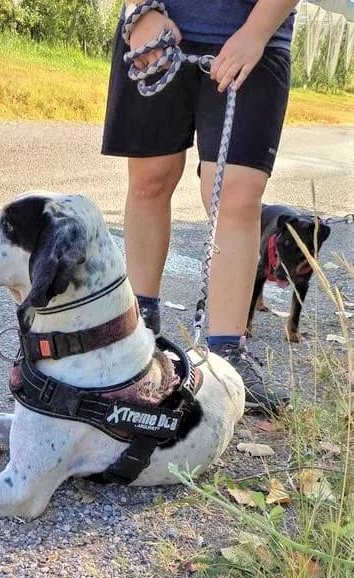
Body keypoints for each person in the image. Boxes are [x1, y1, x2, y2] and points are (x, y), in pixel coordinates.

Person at [102, 0, 300, 414]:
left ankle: (228, 357)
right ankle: (139, 333)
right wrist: (139, 10)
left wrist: (257, 32)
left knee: (235, 192)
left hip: (253, 35)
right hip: (155, 28)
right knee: (149, 179)